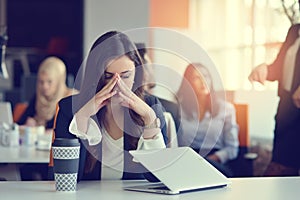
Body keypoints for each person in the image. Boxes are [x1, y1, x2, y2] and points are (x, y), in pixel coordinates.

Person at [49, 31, 167, 181]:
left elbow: (159, 178)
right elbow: (65, 179)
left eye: (125, 76)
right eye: (108, 76)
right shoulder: (68, 108)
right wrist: (83, 117)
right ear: (95, 76)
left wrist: (149, 120)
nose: (117, 85)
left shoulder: (152, 107)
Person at [248, 23, 300, 176]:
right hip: (286, 111)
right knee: (279, 175)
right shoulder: (294, 30)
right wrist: (265, 69)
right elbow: (279, 67)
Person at [17, 56, 78, 180]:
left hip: (59, 158)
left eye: (49, 82)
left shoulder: (71, 100)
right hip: (36, 156)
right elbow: (20, 124)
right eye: (41, 82)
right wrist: (28, 125)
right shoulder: (38, 98)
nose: (44, 87)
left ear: (60, 80)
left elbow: (73, 132)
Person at [177, 63, 239, 176]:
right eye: (197, 78)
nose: (203, 81)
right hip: (186, 162)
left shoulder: (227, 109)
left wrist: (208, 160)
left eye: (206, 76)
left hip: (216, 163)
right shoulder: (177, 109)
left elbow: (232, 149)